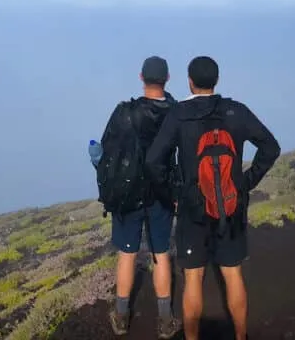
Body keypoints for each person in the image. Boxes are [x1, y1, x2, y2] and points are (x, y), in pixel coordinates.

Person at [145, 55, 281, 340]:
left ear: (190, 82)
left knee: (193, 278)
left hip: (192, 207)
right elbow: (270, 147)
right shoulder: (236, 111)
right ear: (216, 80)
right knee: (232, 274)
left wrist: (174, 194)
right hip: (231, 206)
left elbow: (154, 161)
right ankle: (240, 336)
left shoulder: (178, 115)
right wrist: (245, 183)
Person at [95, 56, 183, 339]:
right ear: (167, 79)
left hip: (128, 195)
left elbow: (107, 153)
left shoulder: (124, 112)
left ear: (140, 77)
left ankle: (121, 317)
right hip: (162, 194)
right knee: (161, 254)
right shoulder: (177, 113)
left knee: (127, 255)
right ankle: (166, 320)